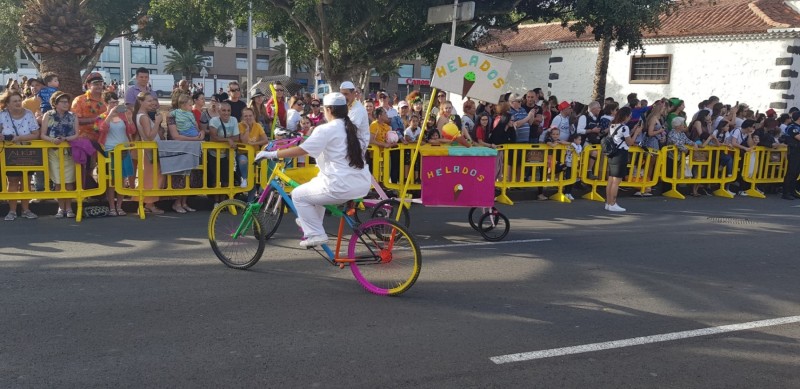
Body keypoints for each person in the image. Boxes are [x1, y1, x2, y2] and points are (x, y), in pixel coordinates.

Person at [255, 92, 371, 247]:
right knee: (314, 187)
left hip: (341, 185)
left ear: (328, 110)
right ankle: (311, 223)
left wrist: (270, 154)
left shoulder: (326, 129)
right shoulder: (351, 128)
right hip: (361, 183)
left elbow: (301, 150)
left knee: (297, 195)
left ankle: (316, 233)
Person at [1, 90, 40, 220]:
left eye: (19, 100)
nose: (18, 103)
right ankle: (12, 211)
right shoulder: (2, 115)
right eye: (15, 101)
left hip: (27, 152)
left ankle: (26, 210)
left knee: (26, 181)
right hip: (9, 153)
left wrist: (19, 138)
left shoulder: (28, 114)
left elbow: (36, 134)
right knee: (12, 181)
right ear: (7, 104)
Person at [97, 91, 136, 216]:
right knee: (112, 181)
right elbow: (101, 129)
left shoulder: (123, 116)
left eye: (116, 102)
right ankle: (112, 207)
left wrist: (129, 119)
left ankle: (119, 206)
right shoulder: (101, 116)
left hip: (124, 150)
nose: (114, 104)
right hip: (110, 150)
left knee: (122, 180)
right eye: (111, 102)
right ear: (105, 103)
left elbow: (132, 130)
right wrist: (109, 115)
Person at [41, 91, 79, 218]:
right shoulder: (48, 115)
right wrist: (53, 140)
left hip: (68, 152)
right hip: (54, 152)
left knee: (69, 181)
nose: (66, 104)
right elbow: (43, 134)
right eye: (62, 102)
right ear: (55, 103)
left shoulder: (73, 116)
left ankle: (69, 208)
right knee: (58, 181)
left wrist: (66, 139)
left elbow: (76, 135)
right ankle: (60, 207)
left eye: (67, 101)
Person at [167, 94, 203, 213]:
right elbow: (175, 136)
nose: (191, 106)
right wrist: (196, 139)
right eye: (189, 103)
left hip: (191, 148)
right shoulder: (172, 115)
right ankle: (177, 203)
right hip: (180, 148)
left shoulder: (190, 115)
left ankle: (184, 202)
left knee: (190, 176)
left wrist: (200, 134)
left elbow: (197, 128)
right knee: (181, 177)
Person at [133, 91, 166, 214]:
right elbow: (149, 136)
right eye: (149, 100)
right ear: (141, 102)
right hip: (150, 150)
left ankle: (148, 203)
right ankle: (149, 203)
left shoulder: (142, 115)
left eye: (153, 100)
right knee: (151, 178)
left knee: (151, 177)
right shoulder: (143, 117)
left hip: (151, 150)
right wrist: (157, 122)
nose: (152, 103)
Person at [605, 107, 643, 212]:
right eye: (629, 116)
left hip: (612, 154)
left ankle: (608, 203)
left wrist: (633, 130)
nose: (630, 118)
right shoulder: (624, 127)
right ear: (625, 116)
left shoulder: (613, 125)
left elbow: (620, 137)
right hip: (621, 154)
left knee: (611, 179)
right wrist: (636, 133)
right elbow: (630, 142)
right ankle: (613, 203)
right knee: (616, 181)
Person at [207, 101, 239, 203]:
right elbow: (214, 137)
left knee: (226, 178)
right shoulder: (214, 121)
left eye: (228, 110)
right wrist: (228, 140)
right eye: (224, 110)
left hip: (227, 155)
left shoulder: (234, 120)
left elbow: (237, 137)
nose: (226, 113)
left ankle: (224, 202)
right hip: (214, 154)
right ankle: (216, 202)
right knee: (216, 178)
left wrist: (226, 139)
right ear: (219, 111)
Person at [237, 107, 268, 191]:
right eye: (245, 116)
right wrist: (247, 128)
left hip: (255, 154)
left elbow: (265, 140)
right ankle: (244, 178)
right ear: (242, 117)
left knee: (255, 178)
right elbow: (244, 141)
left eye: (250, 115)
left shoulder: (258, 125)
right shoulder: (240, 125)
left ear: (254, 116)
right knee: (243, 160)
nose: (248, 118)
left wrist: (254, 143)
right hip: (243, 154)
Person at [782, 111, 800, 200]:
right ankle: (786, 192)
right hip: (794, 151)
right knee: (791, 172)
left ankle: (792, 191)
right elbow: (798, 137)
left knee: (796, 172)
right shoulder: (792, 127)